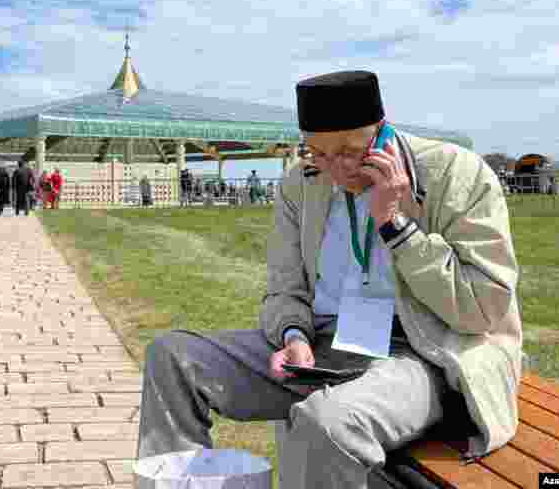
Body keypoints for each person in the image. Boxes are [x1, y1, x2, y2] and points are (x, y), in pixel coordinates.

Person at [135, 70, 522, 489]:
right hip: (322, 345)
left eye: (349, 152)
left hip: (424, 355)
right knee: (172, 358)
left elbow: (482, 309)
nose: (335, 169)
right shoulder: (302, 183)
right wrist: (293, 335)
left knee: (329, 424)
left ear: (382, 132)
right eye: (318, 152)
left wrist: (395, 226)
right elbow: (284, 288)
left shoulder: (456, 174)